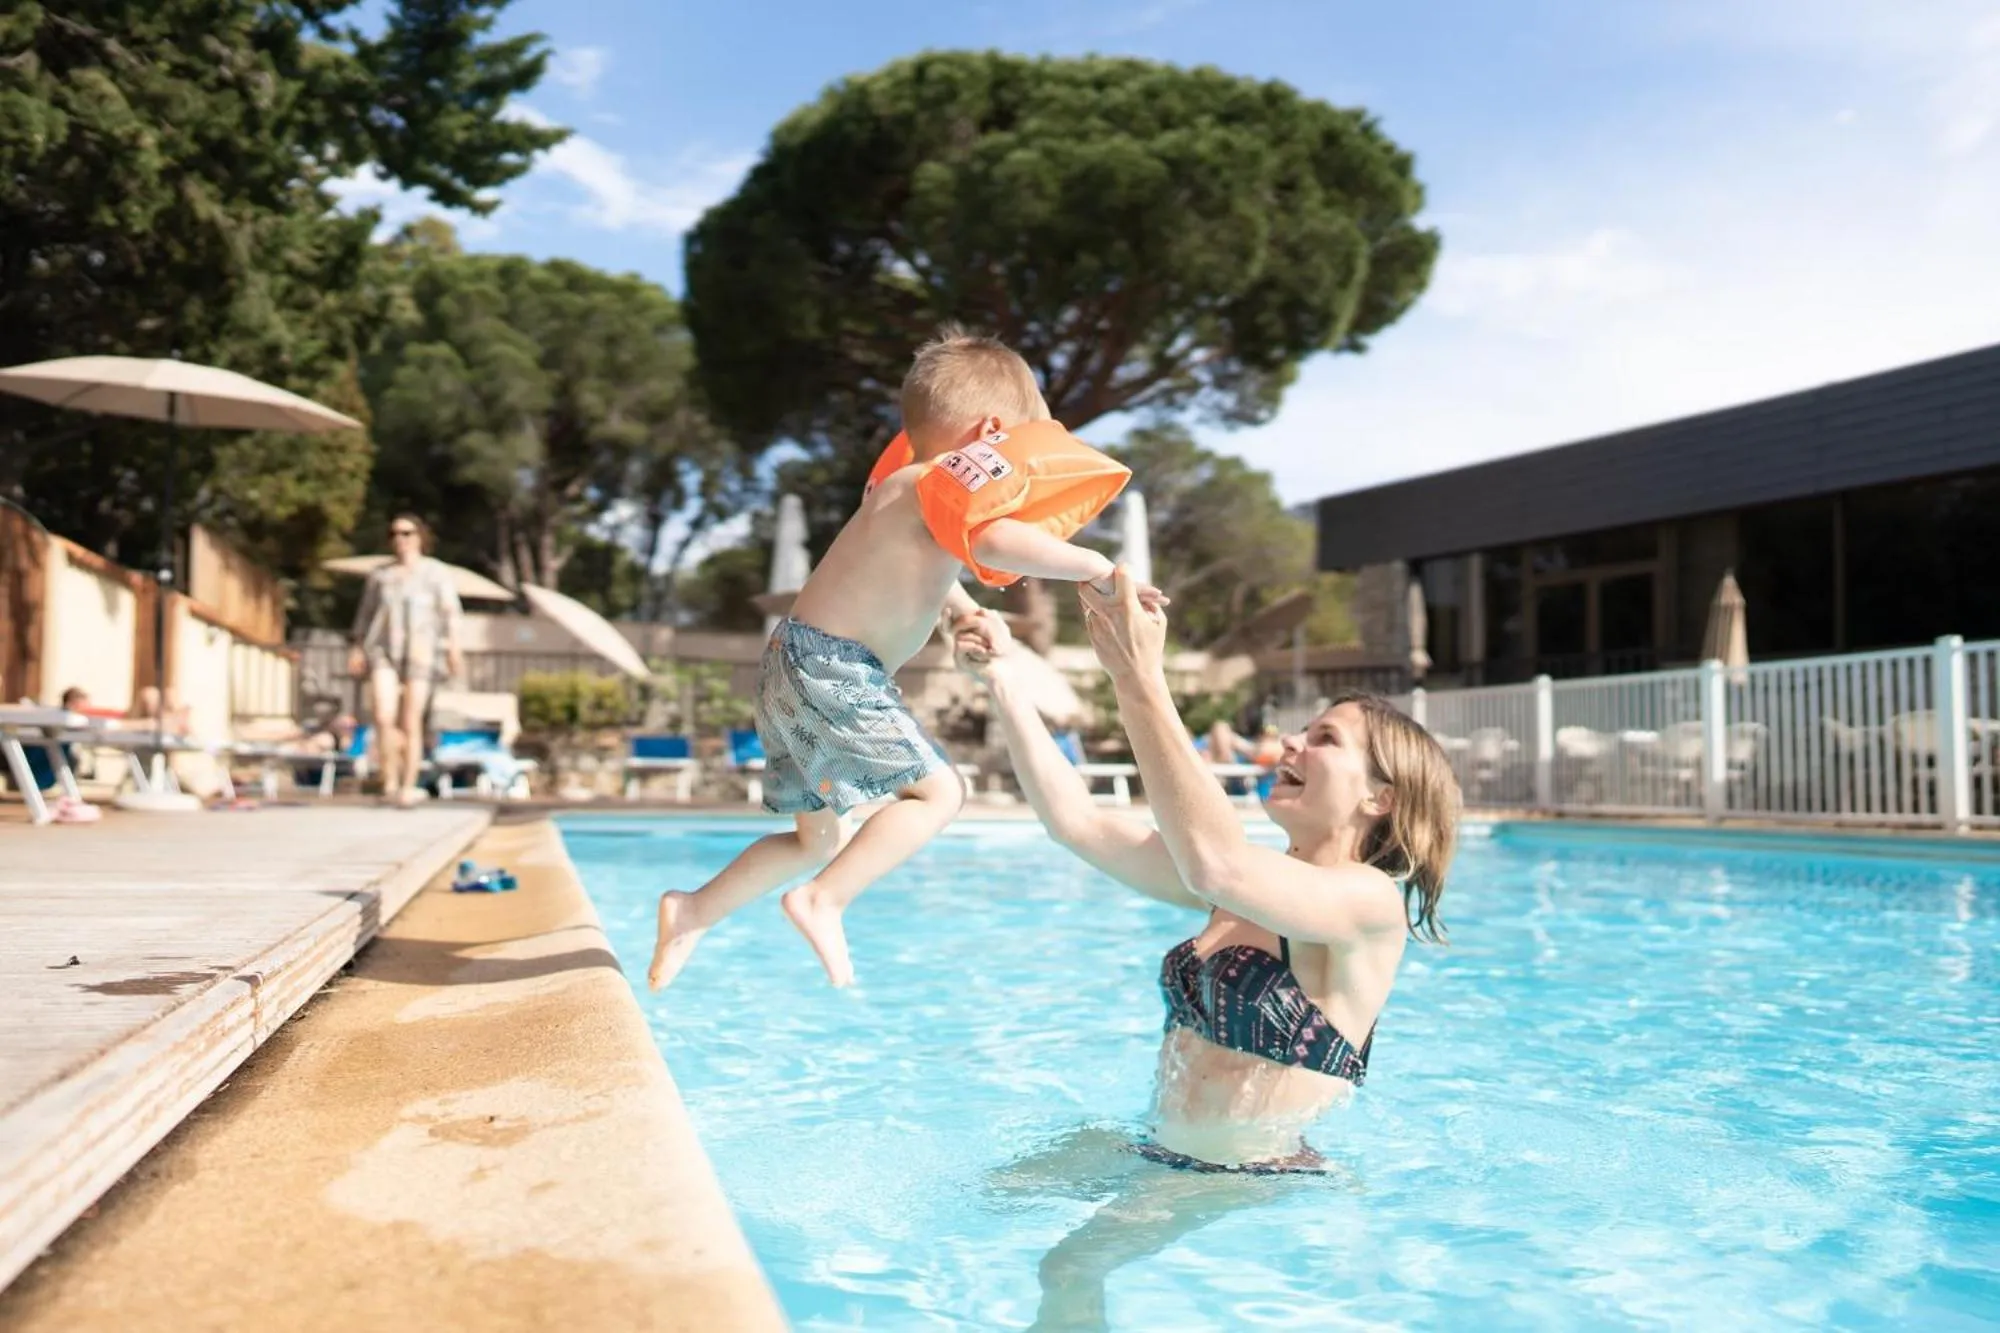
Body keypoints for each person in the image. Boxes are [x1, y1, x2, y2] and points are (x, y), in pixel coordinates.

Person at [647, 326, 1164, 991]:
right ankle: (822, 900)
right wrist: (1095, 567)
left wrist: (962, 610)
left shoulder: (902, 494)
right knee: (939, 793)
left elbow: (931, 570)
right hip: (831, 666)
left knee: (816, 840)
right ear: (991, 435)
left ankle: (693, 910)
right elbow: (995, 541)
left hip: (792, 665)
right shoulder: (926, 486)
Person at [953, 572, 1460, 1167]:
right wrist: (1002, 679)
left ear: (1381, 797)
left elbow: (1215, 864)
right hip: (1164, 1157)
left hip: (1258, 1179)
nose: (1291, 742)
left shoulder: (1369, 903)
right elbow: (1078, 823)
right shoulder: (1246, 887)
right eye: (1303, 730)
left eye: (1326, 738)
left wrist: (1140, 675)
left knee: (1036, 1236)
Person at [346, 514, 463, 808]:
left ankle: (408, 786)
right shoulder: (380, 575)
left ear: (420, 536)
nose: (400, 539)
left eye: (407, 533)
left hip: (421, 650)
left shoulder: (436, 573)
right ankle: (390, 782)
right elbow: (365, 615)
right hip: (383, 650)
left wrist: (454, 648)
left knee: (411, 720)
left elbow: (451, 613)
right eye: (394, 534)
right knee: (383, 716)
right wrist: (357, 648)